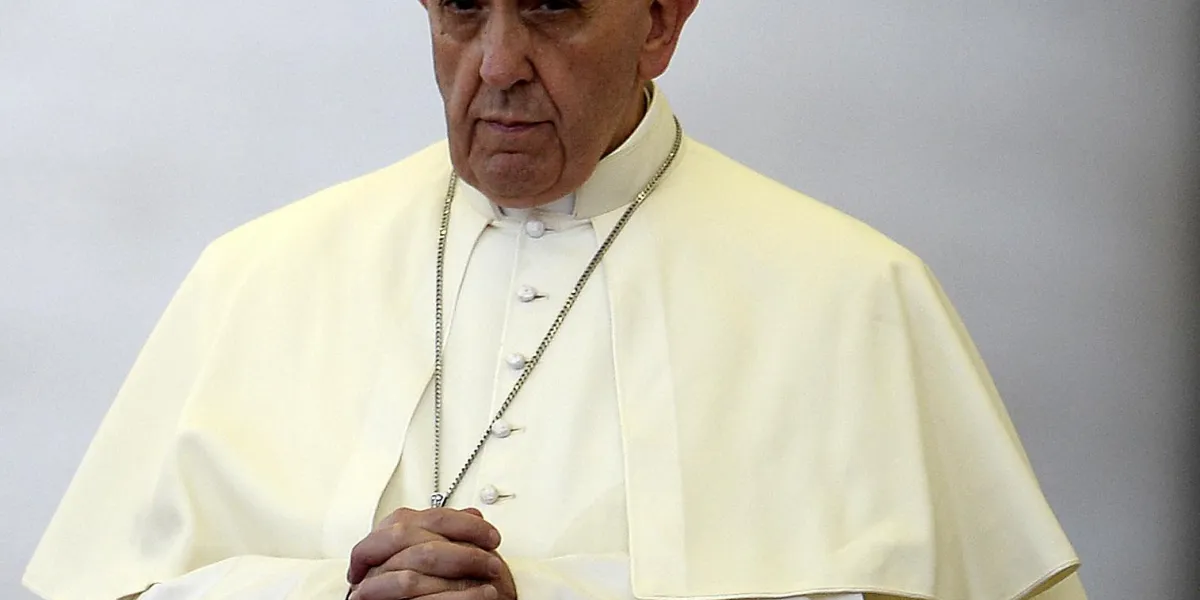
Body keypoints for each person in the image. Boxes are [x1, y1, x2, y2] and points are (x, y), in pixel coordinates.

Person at [24, 1, 1088, 599]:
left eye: (550, 9)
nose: (494, 64)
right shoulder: (254, 274)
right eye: (458, 8)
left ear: (663, 22)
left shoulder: (857, 297)